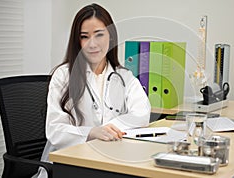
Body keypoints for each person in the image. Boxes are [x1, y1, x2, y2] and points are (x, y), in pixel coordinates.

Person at [32, 3, 151, 178]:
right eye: (84, 36)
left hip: (109, 159)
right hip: (70, 162)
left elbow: (142, 113)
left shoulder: (123, 76)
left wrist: (106, 130)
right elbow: (55, 130)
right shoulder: (64, 75)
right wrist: (90, 133)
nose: (92, 43)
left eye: (99, 35)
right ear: (77, 41)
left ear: (111, 37)